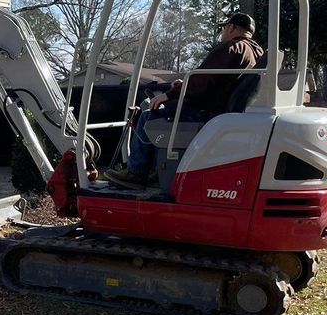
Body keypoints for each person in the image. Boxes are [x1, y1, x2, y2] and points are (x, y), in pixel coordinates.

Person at [106, 12, 263, 189]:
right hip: (222, 112)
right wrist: (183, 86)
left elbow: (202, 81)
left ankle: (136, 172)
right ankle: (156, 172)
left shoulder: (231, 47)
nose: (223, 33)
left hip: (206, 113)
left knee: (149, 116)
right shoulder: (256, 54)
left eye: (224, 28)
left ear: (231, 27)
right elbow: (213, 82)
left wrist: (169, 95)